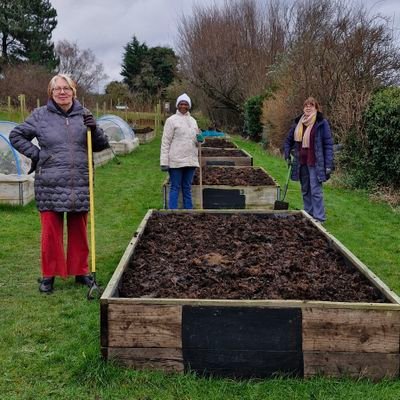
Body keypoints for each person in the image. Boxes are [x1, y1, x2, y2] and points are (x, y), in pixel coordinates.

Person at [10, 74, 109, 293]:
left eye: (66, 88)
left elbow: (101, 145)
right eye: (57, 89)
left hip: (79, 182)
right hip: (49, 183)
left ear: (74, 91)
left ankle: (81, 271)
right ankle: (49, 275)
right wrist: (37, 155)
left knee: (79, 230)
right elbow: (16, 135)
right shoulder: (40, 115)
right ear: (51, 93)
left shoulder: (85, 115)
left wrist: (95, 129)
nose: (62, 92)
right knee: (50, 231)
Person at [284, 97, 334, 222]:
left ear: (316, 108)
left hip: (315, 162)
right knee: (305, 189)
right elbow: (288, 140)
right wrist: (287, 154)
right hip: (301, 162)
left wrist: (328, 165)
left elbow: (328, 145)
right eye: (306, 105)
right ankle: (308, 213)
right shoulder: (298, 123)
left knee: (316, 190)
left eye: (311, 105)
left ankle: (319, 218)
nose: (308, 107)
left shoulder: (321, 123)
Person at [160, 93, 204, 209]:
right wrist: (164, 162)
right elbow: (165, 142)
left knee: (187, 187)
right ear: (177, 106)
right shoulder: (171, 121)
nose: (183, 106)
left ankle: (188, 213)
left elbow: (196, 141)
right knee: (175, 187)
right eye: (181, 104)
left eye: (185, 104)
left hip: (191, 160)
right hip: (176, 160)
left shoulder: (193, 121)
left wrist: (200, 139)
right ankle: (172, 213)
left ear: (189, 106)